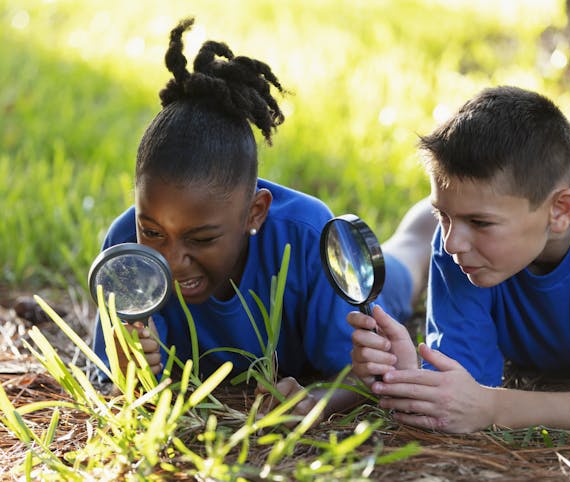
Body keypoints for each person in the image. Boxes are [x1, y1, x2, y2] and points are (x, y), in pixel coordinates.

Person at [90, 17, 420, 421]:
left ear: (255, 212)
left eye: (202, 239)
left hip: (351, 263)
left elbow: (360, 373)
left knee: (409, 257)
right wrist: (129, 373)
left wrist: (316, 402)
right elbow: (112, 381)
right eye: (154, 231)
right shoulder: (125, 249)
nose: (173, 261)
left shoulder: (308, 236)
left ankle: (425, 225)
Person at [348, 86, 570, 433]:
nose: (452, 243)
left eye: (480, 222)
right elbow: (462, 394)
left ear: (560, 211)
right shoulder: (462, 252)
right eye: (443, 216)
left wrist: (499, 406)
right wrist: (407, 379)